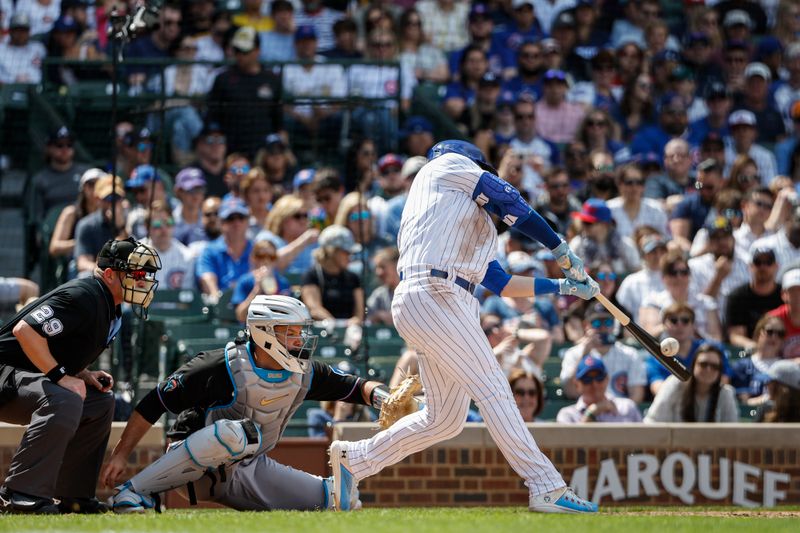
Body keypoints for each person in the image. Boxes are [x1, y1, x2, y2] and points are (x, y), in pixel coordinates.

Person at [327, 140, 600, 514]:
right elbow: (512, 204)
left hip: (435, 299)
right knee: (494, 390)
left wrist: (562, 287)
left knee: (444, 419)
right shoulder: (445, 166)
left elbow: (500, 283)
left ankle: (355, 459)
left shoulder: (452, 214)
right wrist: (560, 248)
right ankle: (546, 485)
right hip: (436, 292)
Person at [101, 295, 390, 512]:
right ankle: (134, 491)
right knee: (236, 433)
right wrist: (120, 454)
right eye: (289, 332)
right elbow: (154, 402)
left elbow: (356, 387)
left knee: (341, 500)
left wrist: (385, 398)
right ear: (265, 332)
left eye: (299, 331)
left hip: (250, 467)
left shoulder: (306, 371)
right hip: (195, 468)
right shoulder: (218, 365)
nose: (299, 339)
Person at [0, 237, 161, 514]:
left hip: (22, 377)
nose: (142, 281)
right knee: (64, 398)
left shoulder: (110, 304)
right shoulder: (83, 295)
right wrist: (62, 376)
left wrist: (83, 374)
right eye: (134, 274)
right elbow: (25, 331)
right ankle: (19, 495)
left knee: (99, 402)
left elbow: (55, 345)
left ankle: (73, 497)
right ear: (110, 274)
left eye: (144, 274)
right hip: (4, 374)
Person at [207, 26, 282, 157]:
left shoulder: (271, 80)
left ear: (257, 51)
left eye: (245, 51)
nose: (240, 55)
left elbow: (278, 121)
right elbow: (212, 116)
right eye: (237, 50)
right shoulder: (223, 79)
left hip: (263, 151)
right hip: (231, 150)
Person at [560, 302, 647, 402]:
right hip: (587, 410)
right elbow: (571, 392)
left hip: (619, 412)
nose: (603, 328)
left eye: (608, 322)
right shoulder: (573, 354)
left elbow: (637, 396)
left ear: (614, 325)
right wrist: (585, 353)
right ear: (586, 326)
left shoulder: (630, 354)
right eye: (596, 323)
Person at [644, 344, 739, 423]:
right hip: (674, 444)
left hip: (713, 445)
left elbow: (732, 433)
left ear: (720, 371)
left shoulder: (726, 393)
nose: (708, 370)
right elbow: (653, 421)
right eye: (703, 364)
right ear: (693, 365)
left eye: (715, 366)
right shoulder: (674, 384)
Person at [301, 225, 364, 324]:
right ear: (332, 251)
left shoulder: (353, 278)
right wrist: (335, 325)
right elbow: (314, 309)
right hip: (323, 334)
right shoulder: (311, 276)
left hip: (352, 334)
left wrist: (351, 324)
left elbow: (359, 314)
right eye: (346, 252)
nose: (349, 256)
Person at [556, 356, 643, 423]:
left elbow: (644, 442)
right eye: (587, 379)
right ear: (577, 384)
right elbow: (571, 445)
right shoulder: (568, 415)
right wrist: (591, 413)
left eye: (599, 378)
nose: (594, 384)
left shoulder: (627, 407)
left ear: (607, 379)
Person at [725, 248, 782, 349]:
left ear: (776, 266)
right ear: (750, 267)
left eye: (768, 262)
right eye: (758, 262)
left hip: (782, 350)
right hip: (749, 352)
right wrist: (758, 349)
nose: (762, 267)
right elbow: (735, 335)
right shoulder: (737, 297)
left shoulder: (785, 295)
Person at [196, 198, 253, 298]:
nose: (237, 223)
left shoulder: (257, 250)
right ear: (221, 223)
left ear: (248, 221)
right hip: (222, 308)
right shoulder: (209, 251)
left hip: (254, 308)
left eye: (241, 217)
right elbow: (210, 287)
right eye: (230, 219)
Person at [30, 126, 90, 221]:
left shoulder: (86, 174)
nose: (65, 149)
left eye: (69, 145)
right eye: (59, 145)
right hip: (52, 231)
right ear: (49, 148)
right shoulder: (40, 180)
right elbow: (36, 218)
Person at [49, 168, 104, 260]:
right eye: (91, 184)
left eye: (100, 185)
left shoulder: (110, 213)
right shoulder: (71, 213)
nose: (95, 189)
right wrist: (82, 244)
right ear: (83, 188)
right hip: (76, 262)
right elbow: (54, 247)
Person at [731, 315, 786, 406]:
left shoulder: (787, 368)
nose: (774, 337)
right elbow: (742, 402)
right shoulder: (742, 366)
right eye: (770, 332)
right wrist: (767, 399)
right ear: (758, 334)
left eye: (780, 334)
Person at [232, 240, 291, 323]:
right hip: (251, 331)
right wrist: (257, 290)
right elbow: (240, 316)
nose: (266, 261)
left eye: (271, 257)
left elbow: (288, 316)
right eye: (261, 256)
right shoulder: (245, 281)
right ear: (253, 258)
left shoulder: (283, 282)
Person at [141, 202, 195, 291]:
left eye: (168, 223)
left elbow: (186, 297)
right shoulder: (135, 253)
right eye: (157, 224)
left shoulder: (187, 256)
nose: (164, 229)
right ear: (147, 227)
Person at [366, 247, 400, 326]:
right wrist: (378, 316)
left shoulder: (411, 291)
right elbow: (366, 314)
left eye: (382, 267)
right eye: (376, 268)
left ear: (397, 265)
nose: (378, 272)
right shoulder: (379, 294)